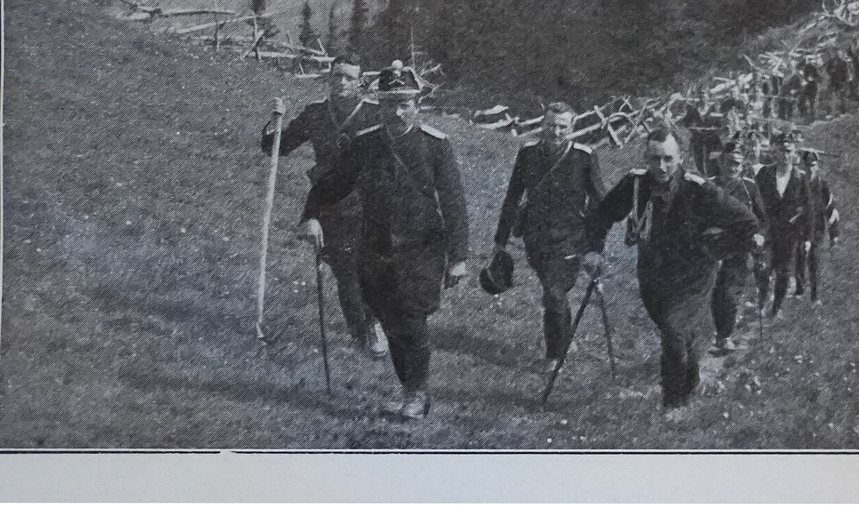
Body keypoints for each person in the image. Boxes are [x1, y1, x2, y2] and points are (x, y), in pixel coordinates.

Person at [302, 62, 470, 420]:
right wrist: (311, 215)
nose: (396, 111)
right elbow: (332, 185)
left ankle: (416, 394)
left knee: (411, 319)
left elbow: (453, 201)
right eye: (389, 103)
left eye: (404, 103)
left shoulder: (435, 145)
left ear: (417, 104)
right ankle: (409, 390)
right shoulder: (366, 144)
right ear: (379, 104)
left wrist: (458, 258)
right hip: (375, 247)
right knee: (390, 321)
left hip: (421, 247)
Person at [583, 129, 759, 416]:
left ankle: (673, 402)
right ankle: (691, 380)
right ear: (646, 157)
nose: (661, 167)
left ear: (681, 158)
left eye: (668, 159)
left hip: (694, 276)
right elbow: (602, 215)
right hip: (652, 276)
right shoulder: (636, 183)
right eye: (655, 159)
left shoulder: (698, 188)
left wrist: (715, 248)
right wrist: (594, 250)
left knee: (673, 331)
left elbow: (747, 221)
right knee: (677, 332)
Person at [259, 61, 386, 356]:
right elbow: (276, 147)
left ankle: (373, 323)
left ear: (360, 81)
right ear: (329, 79)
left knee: (367, 268)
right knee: (345, 273)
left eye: (349, 77)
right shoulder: (316, 113)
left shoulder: (373, 113)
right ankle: (360, 333)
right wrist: (275, 121)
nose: (342, 82)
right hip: (330, 203)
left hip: (366, 201)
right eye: (337, 76)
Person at [493, 101, 607, 365]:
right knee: (552, 291)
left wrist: (595, 245)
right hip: (536, 239)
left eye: (562, 127)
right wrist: (500, 239)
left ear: (572, 128)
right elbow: (512, 196)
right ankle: (564, 336)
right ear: (542, 125)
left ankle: (554, 356)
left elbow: (600, 202)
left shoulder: (584, 156)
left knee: (554, 293)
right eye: (550, 126)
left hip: (571, 240)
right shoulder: (528, 153)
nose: (555, 132)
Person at [709, 149, 768, 353]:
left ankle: (724, 336)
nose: (732, 168)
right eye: (729, 163)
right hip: (713, 248)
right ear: (721, 163)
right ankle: (717, 333)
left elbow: (762, 219)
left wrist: (759, 235)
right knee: (715, 294)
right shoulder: (710, 185)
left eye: (737, 164)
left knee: (730, 294)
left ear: (742, 166)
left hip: (740, 248)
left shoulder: (749, 187)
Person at [755, 133, 813, 316]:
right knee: (763, 268)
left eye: (788, 151)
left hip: (789, 233)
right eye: (781, 150)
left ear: (794, 152)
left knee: (783, 272)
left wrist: (807, 238)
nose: (785, 155)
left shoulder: (800, 177)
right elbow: (755, 201)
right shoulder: (764, 173)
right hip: (767, 230)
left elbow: (808, 209)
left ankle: (777, 306)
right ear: (775, 152)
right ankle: (763, 299)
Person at [800, 148, 842, 304]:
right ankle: (800, 288)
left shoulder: (822, 185)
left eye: (813, 165)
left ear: (817, 166)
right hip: (800, 228)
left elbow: (831, 211)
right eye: (807, 165)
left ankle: (815, 295)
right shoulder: (797, 183)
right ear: (802, 166)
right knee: (798, 260)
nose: (810, 169)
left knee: (814, 261)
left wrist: (834, 236)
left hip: (817, 229)